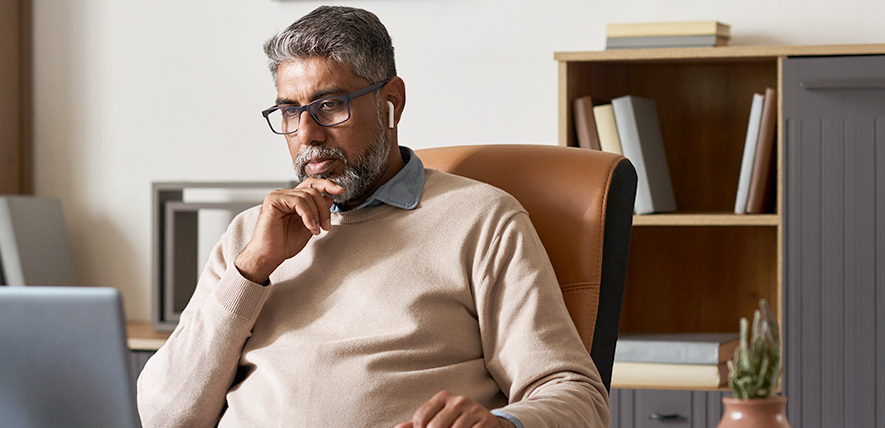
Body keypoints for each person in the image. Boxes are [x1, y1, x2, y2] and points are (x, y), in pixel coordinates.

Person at [136, 6, 609, 428]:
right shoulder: (251, 236)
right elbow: (165, 417)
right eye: (289, 111)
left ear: (392, 102)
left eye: (330, 105)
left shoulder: (482, 221)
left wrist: (503, 423)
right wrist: (250, 272)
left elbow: (579, 398)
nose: (307, 134)